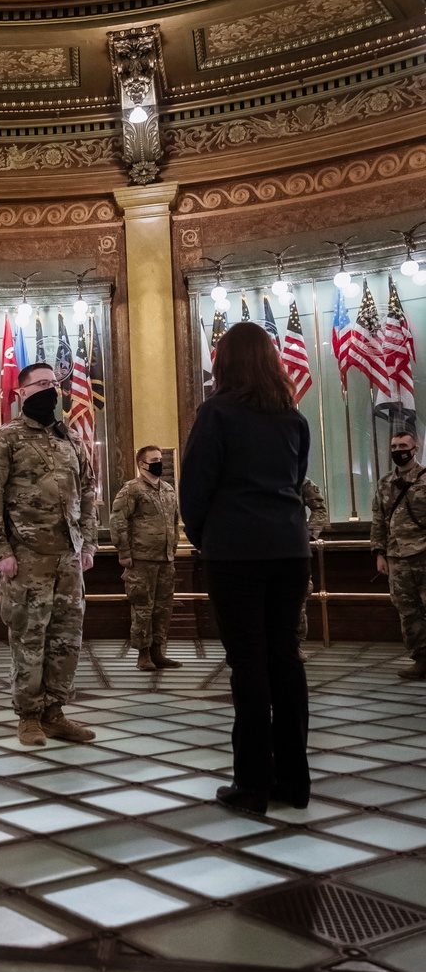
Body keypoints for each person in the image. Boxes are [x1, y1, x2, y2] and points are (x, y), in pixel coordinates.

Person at [180, 320, 311, 815]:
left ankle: (252, 784)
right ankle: (294, 782)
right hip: (290, 549)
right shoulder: (293, 418)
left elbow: (195, 489)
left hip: (236, 551)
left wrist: (205, 537)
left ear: (224, 362)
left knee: (249, 665)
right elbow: (296, 481)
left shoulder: (216, 413)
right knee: (286, 659)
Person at [0, 361, 97, 747]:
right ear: (21, 392)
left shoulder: (71, 439)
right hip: (26, 558)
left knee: (66, 638)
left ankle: (55, 711)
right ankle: (28, 716)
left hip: (68, 558)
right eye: (41, 384)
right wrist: (0, 550)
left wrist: (89, 543)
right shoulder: (4, 439)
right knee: (29, 637)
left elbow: (90, 494)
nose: (51, 389)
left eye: (54, 384)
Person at [109, 444, 181, 672]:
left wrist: (174, 547)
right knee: (143, 607)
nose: (160, 462)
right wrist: (123, 552)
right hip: (141, 559)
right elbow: (118, 520)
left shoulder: (168, 489)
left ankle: (159, 651)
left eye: (161, 458)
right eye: (155, 459)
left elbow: (174, 521)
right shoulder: (132, 489)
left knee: (163, 607)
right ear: (142, 464)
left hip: (165, 558)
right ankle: (143, 654)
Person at [371, 431, 426, 679]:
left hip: (424, 553)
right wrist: (379, 553)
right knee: (407, 610)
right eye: (394, 445)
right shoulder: (385, 483)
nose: (398, 449)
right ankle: (421, 660)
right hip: (397, 558)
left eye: (403, 445)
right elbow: (379, 521)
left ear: (415, 449)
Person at [298, 477, 328, 655]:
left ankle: (295, 645)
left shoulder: (299, 478)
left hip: (293, 549)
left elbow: (319, 510)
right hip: (259, 550)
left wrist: (308, 536)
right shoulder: (248, 475)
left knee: (296, 598)